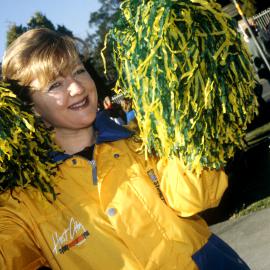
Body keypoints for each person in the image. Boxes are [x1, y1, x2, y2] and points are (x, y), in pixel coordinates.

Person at [0, 28, 250, 270]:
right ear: (31, 108)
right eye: (55, 85)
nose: (77, 88)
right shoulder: (22, 201)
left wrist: (183, 113)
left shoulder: (142, 143)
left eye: (78, 70)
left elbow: (196, 196)